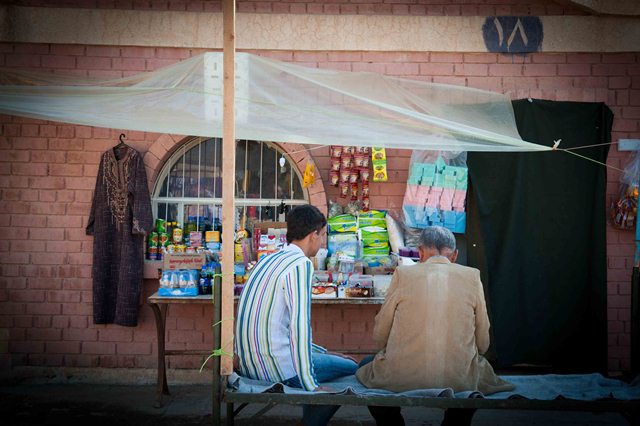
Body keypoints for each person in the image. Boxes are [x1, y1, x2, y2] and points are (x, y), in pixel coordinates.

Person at [356, 226, 514, 426]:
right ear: (454, 255)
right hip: (459, 379)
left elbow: (380, 336)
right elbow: (483, 341)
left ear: (420, 252)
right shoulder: (472, 276)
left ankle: (393, 424)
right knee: (472, 387)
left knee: (365, 367)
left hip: (401, 377)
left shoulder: (403, 274)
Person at [235, 204, 357, 426]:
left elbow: (287, 330)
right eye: (322, 236)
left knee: (338, 361)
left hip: (250, 365)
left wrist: (326, 353)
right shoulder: (300, 264)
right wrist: (312, 386)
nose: (322, 242)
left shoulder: (267, 260)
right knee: (353, 371)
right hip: (277, 370)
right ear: (313, 236)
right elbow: (299, 327)